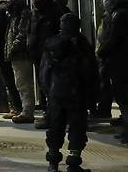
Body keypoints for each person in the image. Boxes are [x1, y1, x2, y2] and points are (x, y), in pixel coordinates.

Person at [41, 13, 97, 172]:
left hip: (55, 94)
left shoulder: (51, 44)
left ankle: (53, 164)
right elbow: (90, 72)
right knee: (77, 129)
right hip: (76, 95)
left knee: (55, 128)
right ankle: (73, 164)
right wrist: (91, 96)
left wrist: (48, 92)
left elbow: (44, 72)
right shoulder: (82, 45)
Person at [28, 0, 67, 129]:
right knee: (43, 86)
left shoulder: (53, 9)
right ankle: (48, 113)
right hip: (38, 55)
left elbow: (61, 32)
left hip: (52, 55)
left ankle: (53, 115)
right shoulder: (35, 11)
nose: (34, 0)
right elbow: (32, 32)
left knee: (52, 86)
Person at [0, 0, 34, 123]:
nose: (5, 5)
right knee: (19, 83)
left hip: (21, 54)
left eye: (7, 2)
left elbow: (21, 33)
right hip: (16, 54)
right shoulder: (14, 15)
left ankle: (27, 111)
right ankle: (23, 109)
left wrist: (13, 48)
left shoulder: (23, 13)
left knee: (24, 83)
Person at [96, 0, 128, 144]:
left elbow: (113, 40)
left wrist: (101, 52)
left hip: (121, 64)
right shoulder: (120, 13)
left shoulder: (119, 15)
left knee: (124, 99)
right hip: (120, 62)